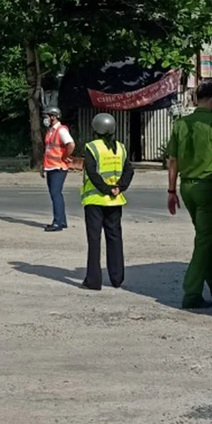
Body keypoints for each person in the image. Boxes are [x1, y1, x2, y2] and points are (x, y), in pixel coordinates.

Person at [167, 82, 212, 310]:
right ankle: (192, 293)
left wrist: (171, 191)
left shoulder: (180, 124)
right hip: (207, 187)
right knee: (204, 239)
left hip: (186, 187)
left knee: (204, 235)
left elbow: (173, 161)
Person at [80, 112, 134, 291]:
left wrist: (106, 188)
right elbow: (129, 170)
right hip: (114, 201)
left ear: (95, 129)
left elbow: (92, 172)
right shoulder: (121, 148)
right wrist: (119, 187)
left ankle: (93, 281)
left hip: (95, 200)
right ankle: (117, 278)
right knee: (115, 238)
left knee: (94, 240)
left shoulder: (92, 147)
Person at [40, 106, 75, 232]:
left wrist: (65, 156)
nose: (45, 119)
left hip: (58, 167)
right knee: (55, 194)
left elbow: (71, 144)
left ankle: (57, 223)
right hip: (50, 166)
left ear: (54, 117)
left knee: (55, 194)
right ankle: (62, 221)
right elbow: (48, 150)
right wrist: (43, 166)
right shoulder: (50, 131)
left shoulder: (61, 130)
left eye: (47, 116)